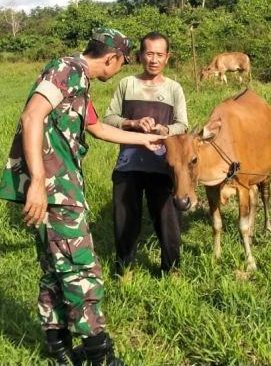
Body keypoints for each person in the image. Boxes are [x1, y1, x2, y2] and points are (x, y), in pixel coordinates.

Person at [19, 28, 161, 366]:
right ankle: (100, 355)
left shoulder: (79, 82)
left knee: (55, 268)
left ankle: (59, 348)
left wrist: (143, 140)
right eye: (120, 64)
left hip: (61, 186)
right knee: (81, 268)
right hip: (54, 189)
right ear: (111, 58)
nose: (118, 72)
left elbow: (96, 128)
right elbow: (31, 116)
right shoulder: (65, 70)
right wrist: (38, 181)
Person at [102, 32, 188, 275]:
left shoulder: (174, 89)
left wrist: (164, 129)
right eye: (149, 53)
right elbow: (109, 118)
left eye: (160, 55)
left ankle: (171, 271)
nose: (154, 59)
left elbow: (182, 125)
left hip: (163, 165)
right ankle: (124, 270)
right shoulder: (127, 84)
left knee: (167, 222)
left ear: (167, 58)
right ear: (140, 56)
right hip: (128, 164)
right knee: (125, 221)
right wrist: (133, 123)